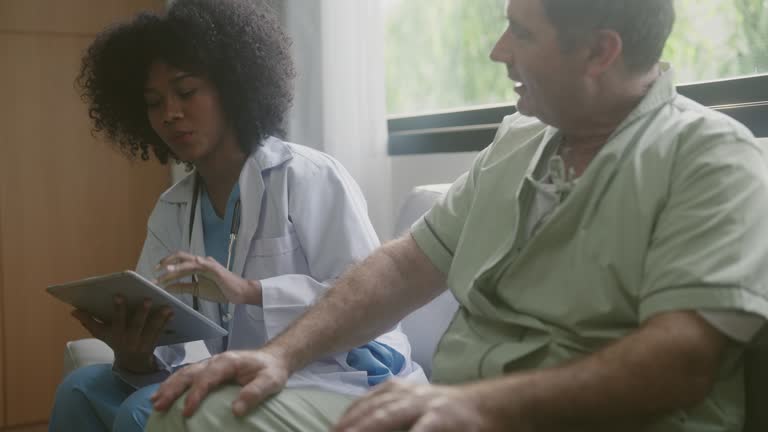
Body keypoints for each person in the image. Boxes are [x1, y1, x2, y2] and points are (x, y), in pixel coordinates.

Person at [148, 0, 768, 431]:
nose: (500, 50)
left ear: (600, 51)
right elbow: (401, 268)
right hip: (450, 416)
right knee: (194, 410)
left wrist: (485, 408)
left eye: (521, 33)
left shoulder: (711, 158)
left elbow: (680, 361)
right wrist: (280, 355)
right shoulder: (516, 144)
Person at [48, 1, 426, 431]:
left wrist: (249, 291)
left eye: (186, 92)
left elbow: (373, 301)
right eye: (154, 103)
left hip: (345, 375)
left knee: (145, 410)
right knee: (81, 388)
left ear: (232, 87)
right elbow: (168, 346)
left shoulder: (308, 176)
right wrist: (136, 352)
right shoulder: (173, 207)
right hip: (243, 373)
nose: (171, 113)